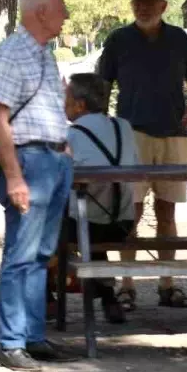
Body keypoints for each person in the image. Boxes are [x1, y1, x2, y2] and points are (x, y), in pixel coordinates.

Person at [98, 0, 187, 311]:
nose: (143, 4)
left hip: (174, 135)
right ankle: (127, 285)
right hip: (132, 136)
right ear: (132, 3)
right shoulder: (118, 40)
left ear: (164, 4)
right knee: (131, 212)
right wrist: (103, 130)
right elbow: (102, 88)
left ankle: (167, 284)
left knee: (167, 211)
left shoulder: (179, 39)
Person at [0, 0, 76, 372]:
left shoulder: (45, 55)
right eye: (61, 8)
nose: (66, 15)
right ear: (41, 12)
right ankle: (11, 342)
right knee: (20, 254)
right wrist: (15, 176)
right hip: (29, 161)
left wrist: (65, 151)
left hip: (53, 161)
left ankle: (33, 336)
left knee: (42, 255)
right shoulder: (9, 54)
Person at [63, 73, 138, 326]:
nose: (63, 103)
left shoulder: (71, 134)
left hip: (86, 225)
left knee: (46, 227)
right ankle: (107, 296)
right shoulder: (124, 127)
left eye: (67, 97)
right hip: (124, 222)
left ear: (80, 105)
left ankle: (49, 300)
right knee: (91, 228)